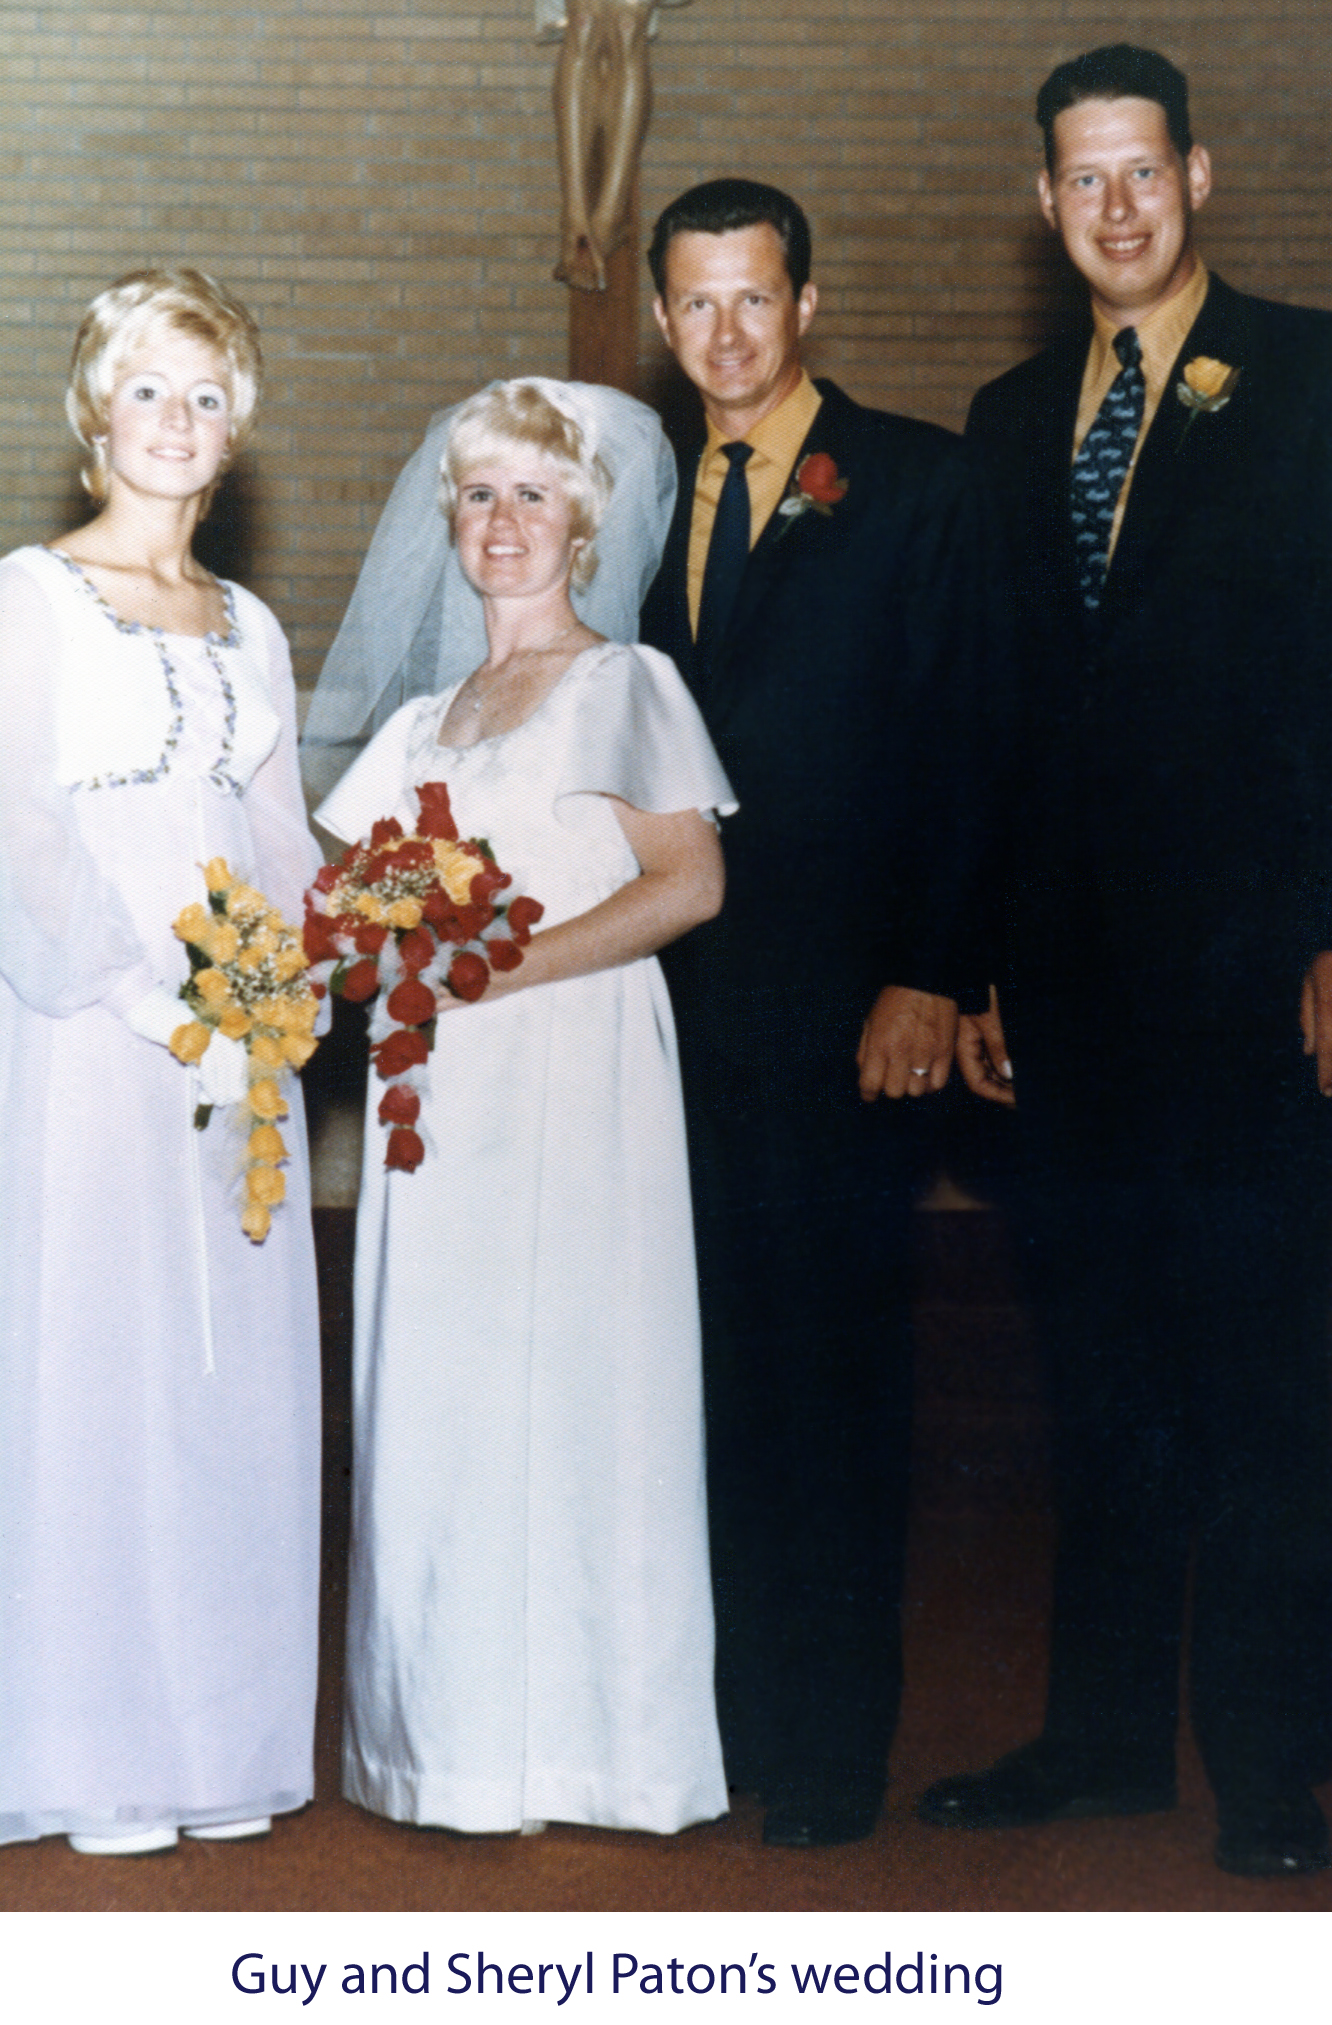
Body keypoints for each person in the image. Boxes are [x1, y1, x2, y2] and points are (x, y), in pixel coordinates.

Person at [917, 45, 1332, 1878]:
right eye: (1082, 180)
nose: (1116, 207)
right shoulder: (1014, 420)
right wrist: (983, 962)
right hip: (1070, 1000)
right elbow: (1001, 714)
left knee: (1264, 1380)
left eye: (1142, 171)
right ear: (1047, 203)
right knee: (1102, 1375)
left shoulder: (1313, 378)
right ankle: (1094, 1743)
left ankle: (1267, 1773)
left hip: (1260, 982)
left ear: (1201, 175)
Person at [312, 378, 733, 1836]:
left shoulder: (629, 686)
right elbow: (353, 903)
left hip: (576, 1074)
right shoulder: (428, 718)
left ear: (584, 523)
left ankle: (589, 1747)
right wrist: (366, 956)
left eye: (534, 497)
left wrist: (500, 970)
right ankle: (446, 1741)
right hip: (440, 1090)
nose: (504, 524)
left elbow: (689, 882)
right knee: (443, 1386)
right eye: (480, 496)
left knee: (575, 1385)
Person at [640, 179, 993, 1847]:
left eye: (754, 300)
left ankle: (835, 1746)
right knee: (702, 1373)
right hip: (669, 1017)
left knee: (834, 1380)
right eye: (696, 304)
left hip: (851, 1010)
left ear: (809, 302)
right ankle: (734, 1721)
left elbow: (972, 742)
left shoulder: (916, 481)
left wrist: (929, 969)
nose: (726, 333)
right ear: (661, 319)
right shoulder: (637, 500)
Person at [0, 269, 323, 1854]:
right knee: (95, 1359)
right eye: (148, 390)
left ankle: (209, 1728)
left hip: (234, 1042)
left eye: (206, 394)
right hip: (82, 1031)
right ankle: (94, 1744)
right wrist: (144, 996)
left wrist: (284, 987)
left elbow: (273, 840)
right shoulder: (29, 598)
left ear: (237, 422)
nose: (176, 423)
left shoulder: (249, 621)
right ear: (92, 415)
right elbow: (17, 832)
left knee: (218, 1372)